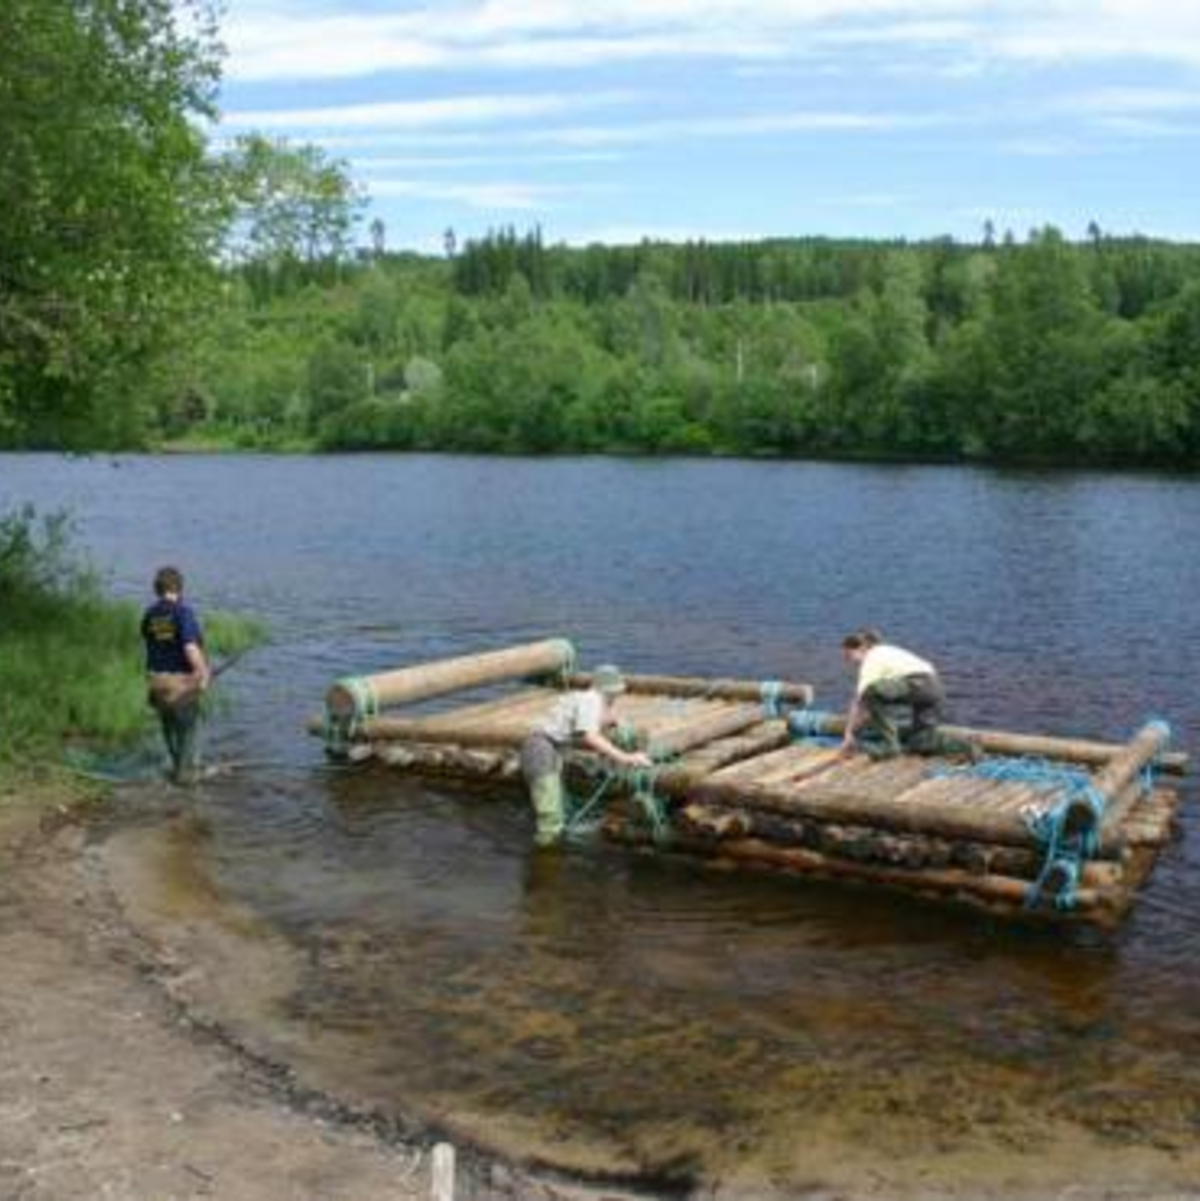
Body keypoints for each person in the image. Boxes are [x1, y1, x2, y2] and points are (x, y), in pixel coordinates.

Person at [519, 664, 653, 847]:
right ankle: (544, 859)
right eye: (616, 694)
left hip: (543, 747)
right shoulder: (592, 701)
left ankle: (548, 852)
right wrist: (626, 758)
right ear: (610, 691)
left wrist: (614, 722)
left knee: (550, 807)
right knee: (550, 821)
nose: (617, 698)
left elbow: (587, 722)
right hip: (541, 750)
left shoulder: (584, 697)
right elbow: (589, 736)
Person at [837, 629, 977, 761]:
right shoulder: (887, 651)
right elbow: (871, 708)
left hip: (918, 684)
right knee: (921, 742)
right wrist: (863, 722)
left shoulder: (872, 657)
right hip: (934, 688)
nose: (848, 661)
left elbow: (860, 701)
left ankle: (889, 746)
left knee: (870, 692)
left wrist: (848, 734)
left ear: (862, 649)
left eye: (848, 655)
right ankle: (965, 744)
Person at [141, 566, 210, 784]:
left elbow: (156, 638)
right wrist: (203, 672)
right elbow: (190, 646)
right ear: (179, 588)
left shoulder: (150, 614)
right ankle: (184, 776)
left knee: (168, 724)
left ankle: (177, 767)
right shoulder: (183, 612)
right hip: (181, 682)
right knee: (188, 728)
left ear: (157, 589)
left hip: (156, 681)